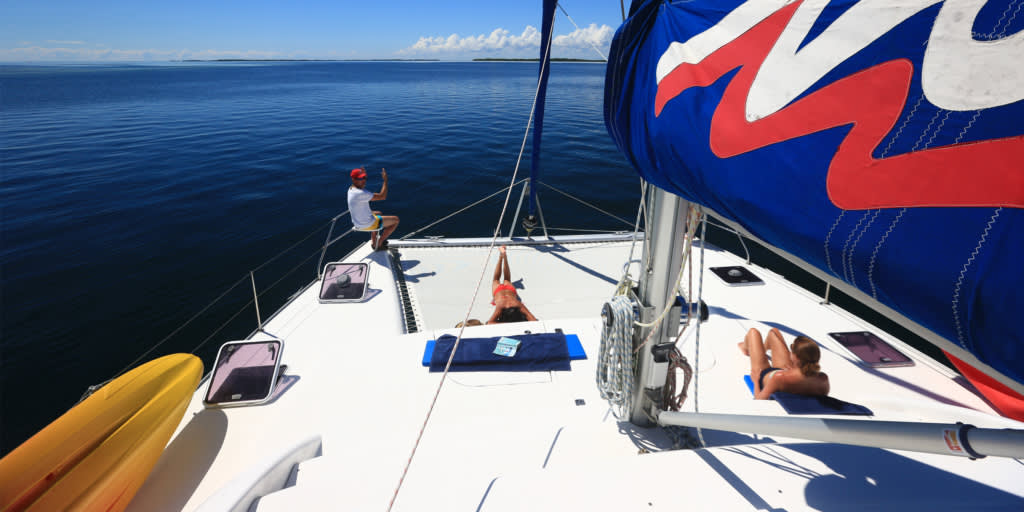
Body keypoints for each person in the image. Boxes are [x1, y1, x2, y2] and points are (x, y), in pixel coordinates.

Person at [738, 327, 829, 399]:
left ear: (795, 357)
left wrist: (756, 381)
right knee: (774, 332)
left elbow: (759, 399)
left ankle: (747, 349)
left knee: (753, 332)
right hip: (785, 371)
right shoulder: (823, 379)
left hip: (764, 374)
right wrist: (795, 370)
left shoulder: (780, 377)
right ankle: (762, 349)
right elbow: (821, 397)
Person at [347, 167, 399, 251]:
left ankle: (374, 240)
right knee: (396, 220)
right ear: (353, 180)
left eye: (364, 178)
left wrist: (362, 175)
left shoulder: (351, 189)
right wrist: (385, 180)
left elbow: (361, 188)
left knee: (378, 213)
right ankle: (379, 243)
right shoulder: (361, 193)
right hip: (366, 224)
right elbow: (383, 196)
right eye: (360, 178)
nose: (364, 180)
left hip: (357, 222)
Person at [486, 246, 537, 324]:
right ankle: (501, 256)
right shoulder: (501, 306)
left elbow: (533, 319)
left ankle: (503, 256)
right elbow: (490, 322)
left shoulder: (517, 304)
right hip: (499, 292)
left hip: (510, 290)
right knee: (496, 279)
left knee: (506, 279)